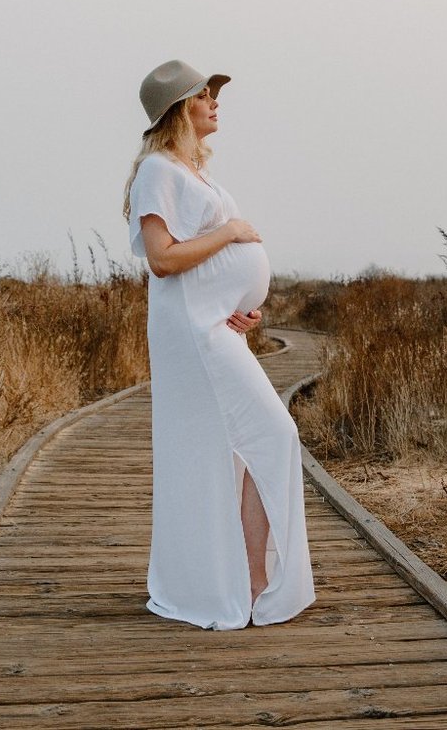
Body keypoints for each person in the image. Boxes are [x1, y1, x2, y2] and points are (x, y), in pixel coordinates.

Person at [123, 59, 315, 630]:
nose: (215, 102)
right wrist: (230, 234)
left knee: (243, 445)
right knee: (267, 434)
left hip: (215, 327)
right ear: (181, 107)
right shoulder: (158, 170)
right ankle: (246, 580)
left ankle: (247, 575)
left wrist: (240, 305)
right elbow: (162, 259)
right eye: (205, 95)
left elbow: (199, 264)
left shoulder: (195, 172)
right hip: (192, 336)